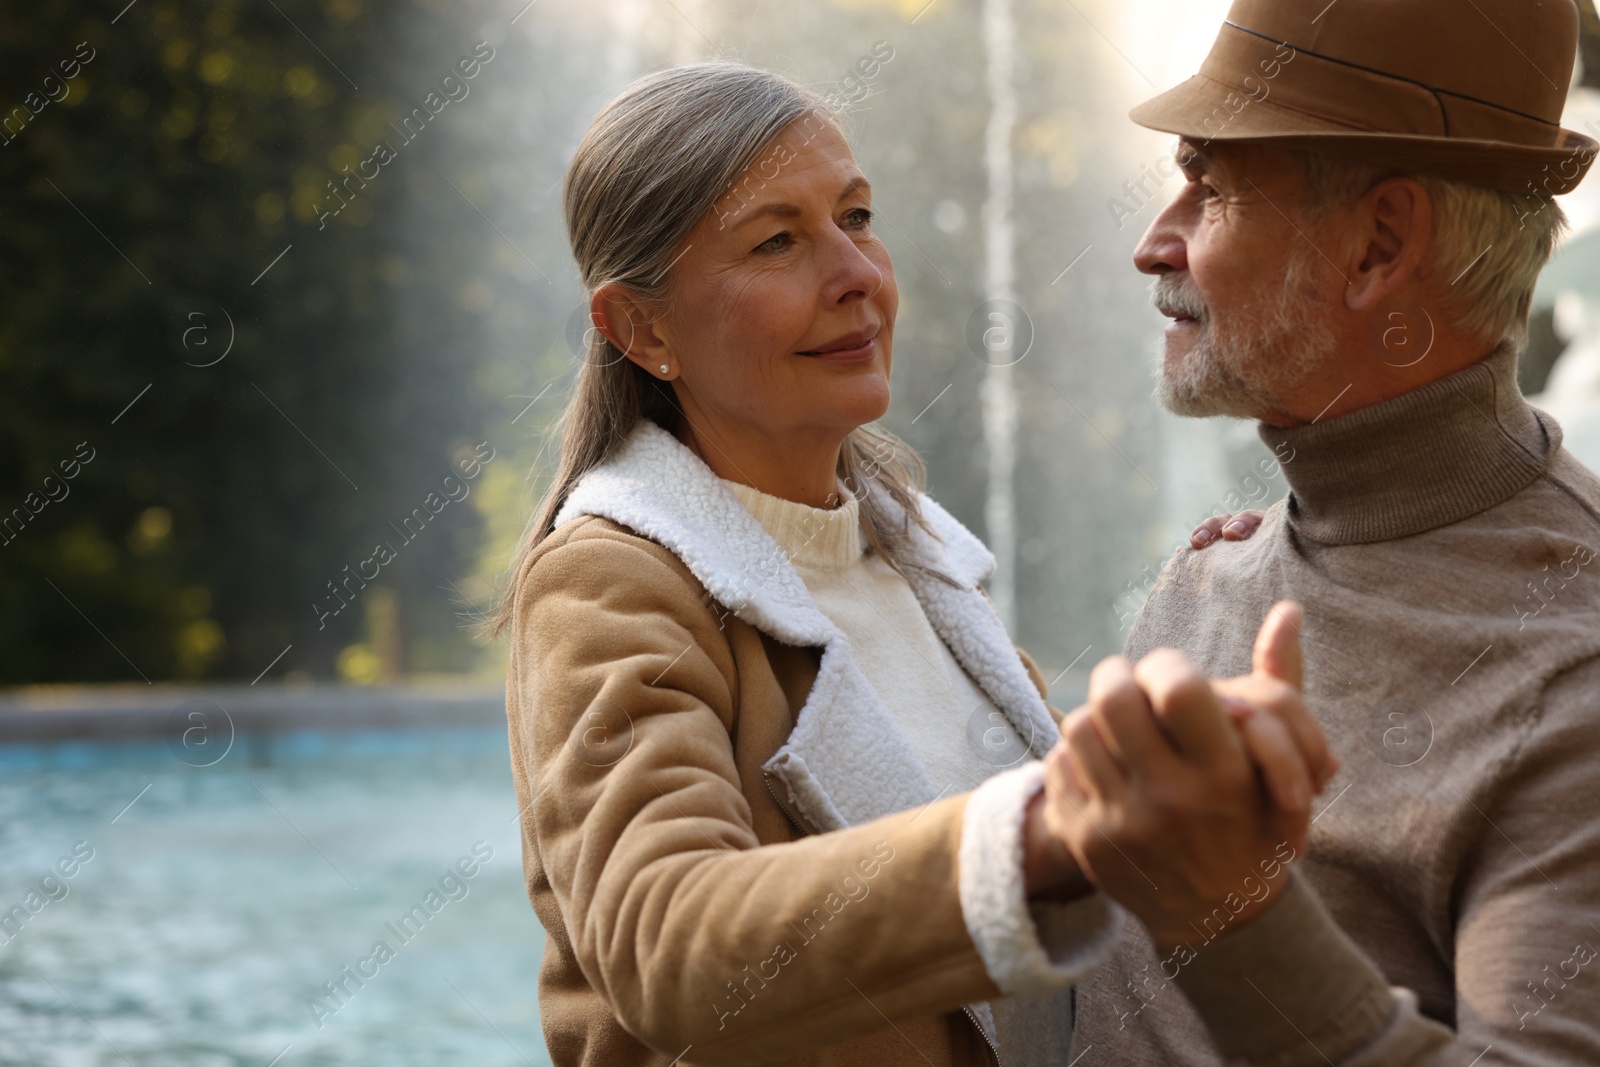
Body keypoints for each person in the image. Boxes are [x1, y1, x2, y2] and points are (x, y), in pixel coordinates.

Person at [493, 61, 1330, 1066]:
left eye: (856, 216)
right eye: (776, 240)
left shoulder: (916, 557)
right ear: (641, 327)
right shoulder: (611, 578)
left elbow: (1092, 865)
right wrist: (1047, 828)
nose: (856, 274)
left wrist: (1227, 616)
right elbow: (669, 945)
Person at [1043, 0, 1600, 1063]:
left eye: (1207, 185)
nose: (1151, 242)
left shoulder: (1574, 662)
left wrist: (1227, 910)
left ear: (1377, 245)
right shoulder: (1209, 577)